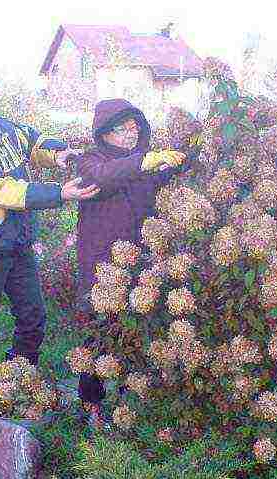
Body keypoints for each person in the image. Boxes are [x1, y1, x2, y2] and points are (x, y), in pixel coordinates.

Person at [0, 69, 99, 409]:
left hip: (18, 243)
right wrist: (61, 193)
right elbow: (0, 191)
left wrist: (60, 154)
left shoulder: (6, 128)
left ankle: (19, 379)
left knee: (33, 317)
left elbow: (35, 141)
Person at [74, 98, 186, 428]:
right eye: (121, 129)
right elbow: (103, 178)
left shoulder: (143, 164)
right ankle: (90, 404)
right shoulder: (90, 162)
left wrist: (182, 159)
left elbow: (163, 180)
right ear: (103, 134)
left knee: (139, 333)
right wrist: (146, 161)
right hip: (101, 267)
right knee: (97, 335)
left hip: (142, 265)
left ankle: (129, 406)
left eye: (134, 127)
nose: (130, 134)